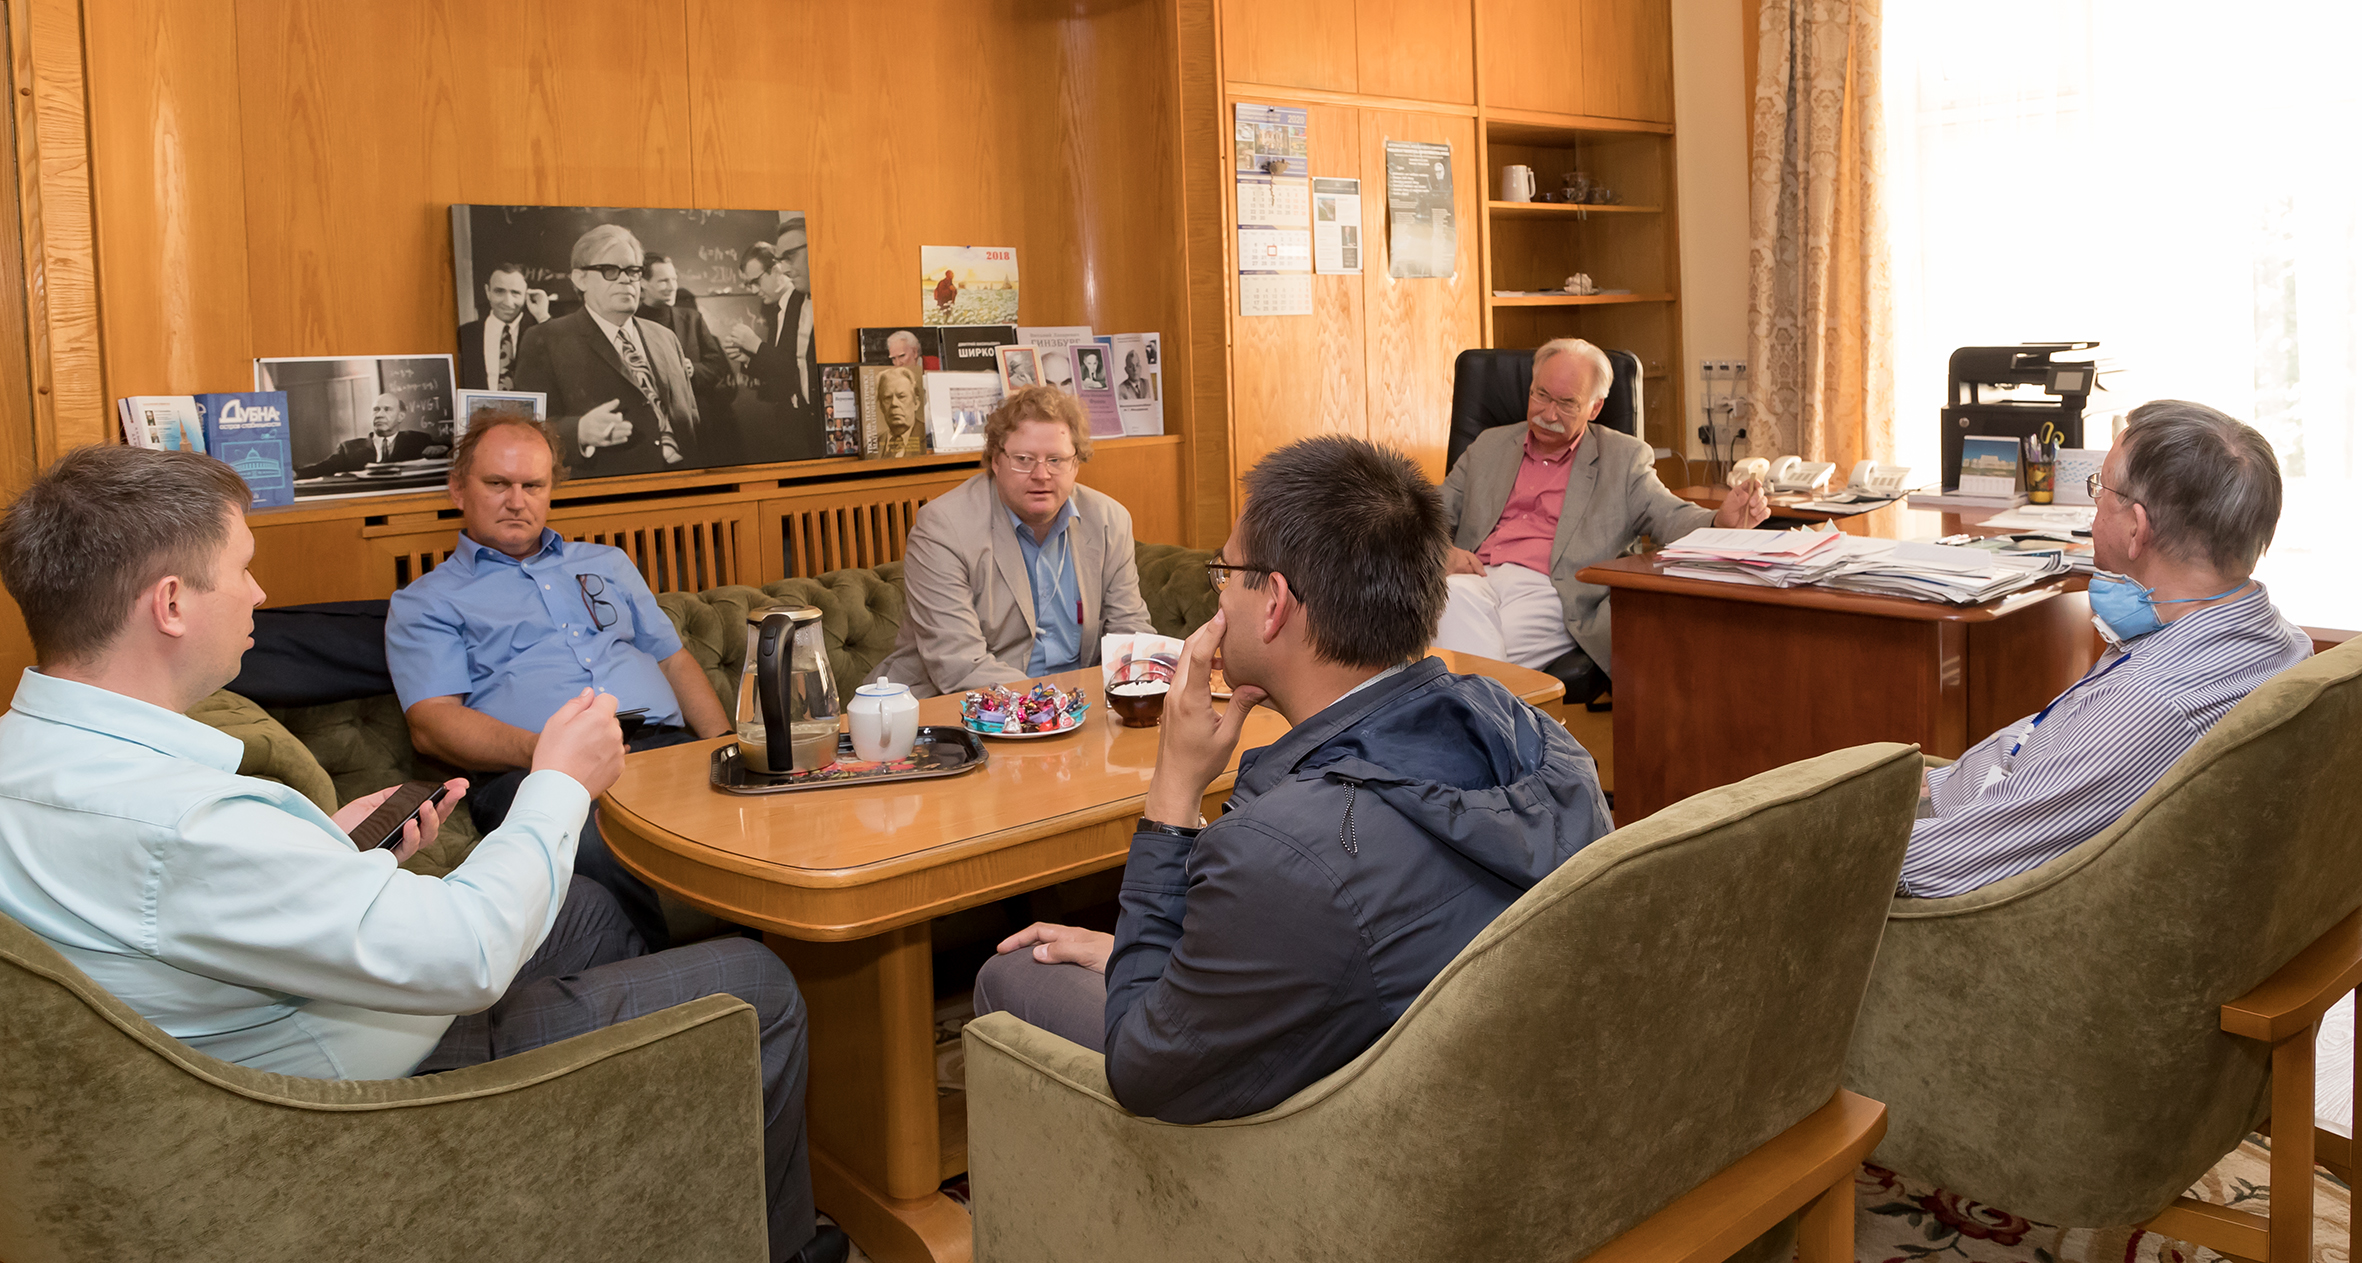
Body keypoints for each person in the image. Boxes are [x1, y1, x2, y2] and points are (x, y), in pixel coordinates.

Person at [0, 446, 843, 1263]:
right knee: (754, 980)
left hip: (279, 1016)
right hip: (350, 1096)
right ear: (171, 603)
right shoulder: (189, 821)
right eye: (243, 568)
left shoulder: (31, 755)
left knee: (586, 908)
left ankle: (625, 1169)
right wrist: (558, 779)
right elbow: (467, 955)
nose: (260, 592)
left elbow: (200, 899)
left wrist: (330, 851)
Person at [971, 435, 1611, 1123]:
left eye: (1223, 574)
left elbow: (1141, 1068)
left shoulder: (1280, 852)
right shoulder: (1542, 738)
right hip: (1514, 1112)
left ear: (1274, 602)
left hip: (1331, 1153)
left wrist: (1174, 788)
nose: (1217, 598)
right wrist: (1153, 958)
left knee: (1009, 975)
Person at [1901, 400, 2311, 898]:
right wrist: (1937, 784)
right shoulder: (2282, 641)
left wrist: (1841, 835)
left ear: (2137, 528)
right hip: (1969, 790)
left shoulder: (2147, 702)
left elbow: (1938, 865)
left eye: (2101, 490)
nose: (2093, 507)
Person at [385, 416, 733, 950]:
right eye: (497, 484)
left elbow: (673, 662)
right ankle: (666, 983)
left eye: (533, 485)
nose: (516, 501)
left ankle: (766, 957)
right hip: (534, 772)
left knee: (761, 813)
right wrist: (552, 753)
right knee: (592, 844)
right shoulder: (427, 601)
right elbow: (432, 724)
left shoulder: (607, 562)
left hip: (662, 749)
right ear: (458, 489)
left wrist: (726, 749)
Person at [1433, 338, 1769, 686]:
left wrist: (1720, 521)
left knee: (1460, 657)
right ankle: (1478, 713)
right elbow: (1425, 515)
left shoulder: (1622, 459)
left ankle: (1463, 709)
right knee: (1454, 608)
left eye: (1566, 403)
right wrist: (1440, 551)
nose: (1548, 414)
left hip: (1552, 590)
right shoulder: (1489, 445)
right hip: (1475, 574)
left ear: (1594, 408)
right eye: (1541, 395)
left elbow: (1669, 515)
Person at [878, 386, 1157, 696]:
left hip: (1079, 706)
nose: (1041, 474)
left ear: (1076, 464)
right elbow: (960, 664)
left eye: (1056, 460)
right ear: (996, 461)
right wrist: (1057, 704)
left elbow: (1130, 635)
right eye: (1024, 459)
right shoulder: (943, 527)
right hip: (963, 706)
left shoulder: (1109, 521)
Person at [508, 224, 703, 477]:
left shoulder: (665, 337)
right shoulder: (545, 339)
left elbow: (691, 418)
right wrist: (579, 432)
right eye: (609, 270)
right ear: (580, 279)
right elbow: (527, 430)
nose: (625, 279)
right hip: (611, 488)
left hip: (684, 482)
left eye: (633, 271)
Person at [638, 251, 739, 463]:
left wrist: (692, 370)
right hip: (652, 428)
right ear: (643, 283)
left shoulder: (693, 319)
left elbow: (717, 366)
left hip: (699, 426)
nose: (672, 286)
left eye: (674, 279)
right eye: (663, 281)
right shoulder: (631, 323)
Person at [456, 262, 548, 391]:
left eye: (515, 293)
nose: (508, 302)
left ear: (526, 295)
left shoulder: (540, 332)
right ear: (488, 291)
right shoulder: (466, 334)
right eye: (499, 291)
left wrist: (543, 316)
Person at [295, 392, 433, 478]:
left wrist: (440, 450)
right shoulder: (349, 449)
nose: (379, 415)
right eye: (376, 410)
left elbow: (444, 447)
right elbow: (324, 467)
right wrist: (297, 474)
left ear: (400, 416)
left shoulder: (418, 441)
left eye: (387, 409)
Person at [873, 365, 924, 458]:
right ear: (881, 406)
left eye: (901, 396)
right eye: (887, 398)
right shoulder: (871, 447)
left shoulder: (928, 439)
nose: (894, 403)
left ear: (916, 403)